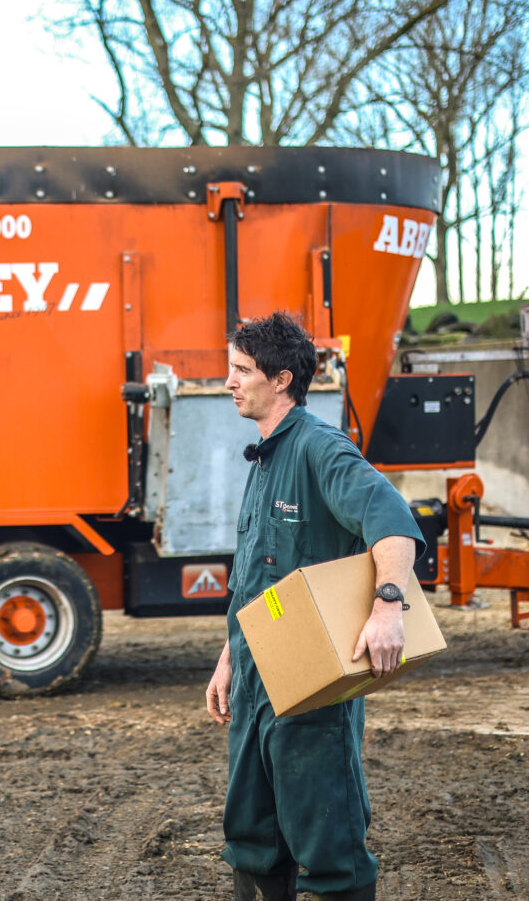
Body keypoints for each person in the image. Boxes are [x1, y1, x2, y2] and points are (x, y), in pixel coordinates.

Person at [205, 312, 423, 901]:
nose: (229, 382)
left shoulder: (320, 449)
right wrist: (230, 655)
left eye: (241, 370)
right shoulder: (266, 455)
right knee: (251, 838)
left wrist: (387, 607)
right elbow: (257, 574)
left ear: (280, 380)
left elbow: (394, 524)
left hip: (309, 681)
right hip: (254, 679)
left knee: (327, 845)